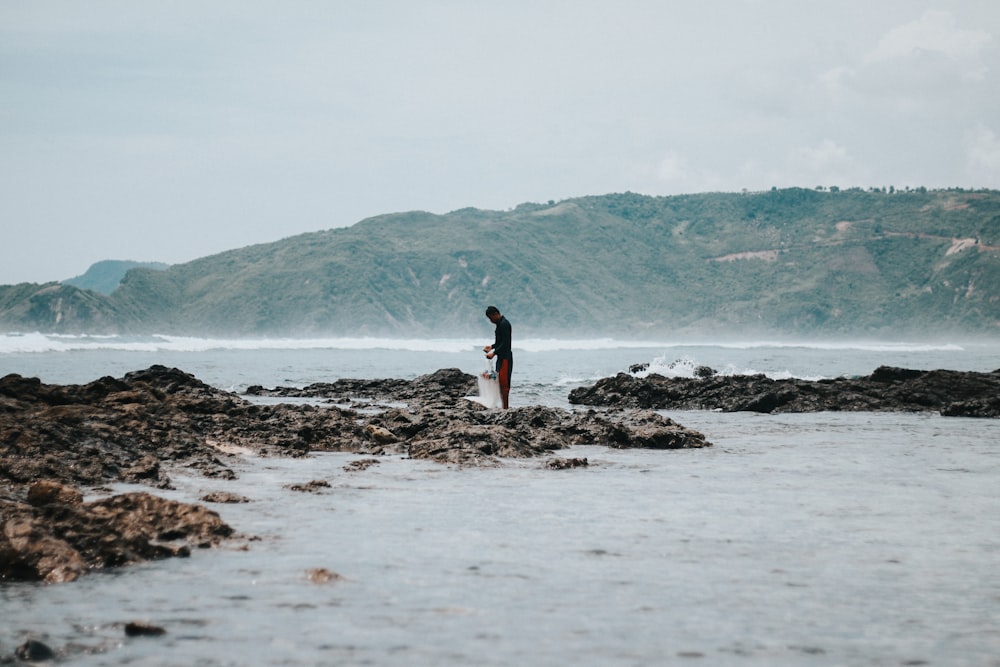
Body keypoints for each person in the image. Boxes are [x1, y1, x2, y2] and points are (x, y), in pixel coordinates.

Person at [483, 305, 512, 409]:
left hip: (505, 357)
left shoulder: (504, 324)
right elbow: (499, 342)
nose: (490, 321)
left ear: (496, 314)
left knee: (504, 384)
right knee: (499, 382)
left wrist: (494, 353)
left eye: (491, 318)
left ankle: (505, 408)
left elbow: (506, 343)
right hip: (501, 357)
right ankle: (503, 406)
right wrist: (491, 347)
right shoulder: (499, 324)